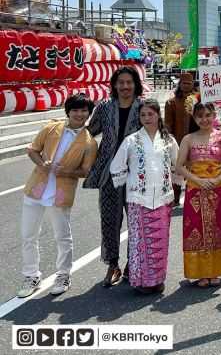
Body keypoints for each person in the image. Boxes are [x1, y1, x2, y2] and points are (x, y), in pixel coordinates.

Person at [18, 94, 98, 298]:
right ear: (68, 112)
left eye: (84, 111)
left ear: (89, 113)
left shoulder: (89, 143)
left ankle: (63, 275)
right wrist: (40, 163)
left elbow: (86, 171)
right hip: (37, 188)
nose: (79, 114)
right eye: (75, 110)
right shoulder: (50, 128)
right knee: (29, 235)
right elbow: (32, 150)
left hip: (62, 192)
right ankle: (31, 276)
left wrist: (68, 173)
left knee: (62, 237)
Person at [109, 99, 179, 294]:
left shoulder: (168, 140)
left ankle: (157, 280)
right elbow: (117, 167)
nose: (147, 118)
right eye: (143, 115)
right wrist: (130, 184)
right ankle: (141, 282)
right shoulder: (132, 140)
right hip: (139, 200)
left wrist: (176, 183)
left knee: (160, 242)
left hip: (163, 199)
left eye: (151, 114)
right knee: (141, 242)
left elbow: (177, 164)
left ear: (158, 115)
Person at [84, 66, 145, 287]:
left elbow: (156, 135)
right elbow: (90, 133)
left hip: (136, 173)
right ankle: (112, 264)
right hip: (108, 173)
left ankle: (133, 263)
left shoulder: (143, 107)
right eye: (121, 82)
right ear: (114, 85)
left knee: (136, 219)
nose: (125, 86)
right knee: (110, 219)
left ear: (135, 85)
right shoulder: (105, 107)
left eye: (129, 82)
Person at [176, 102, 221, 287]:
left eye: (208, 115)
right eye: (200, 116)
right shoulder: (188, 139)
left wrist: (218, 178)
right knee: (197, 230)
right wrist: (198, 180)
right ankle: (201, 273)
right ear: (194, 118)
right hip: (195, 190)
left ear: (214, 116)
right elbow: (179, 166)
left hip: (218, 189)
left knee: (217, 229)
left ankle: (215, 272)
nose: (204, 119)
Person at [164, 72, 196, 206]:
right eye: (184, 83)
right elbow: (167, 124)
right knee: (176, 171)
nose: (186, 85)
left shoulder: (198, 100)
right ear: (179, 84)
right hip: (176, 142)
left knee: (193, 171)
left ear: (193, 84)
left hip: (195, 142)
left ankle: (191, 199)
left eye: (189, 83)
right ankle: (175, 199)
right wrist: (167, 140)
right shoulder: (171, 102)